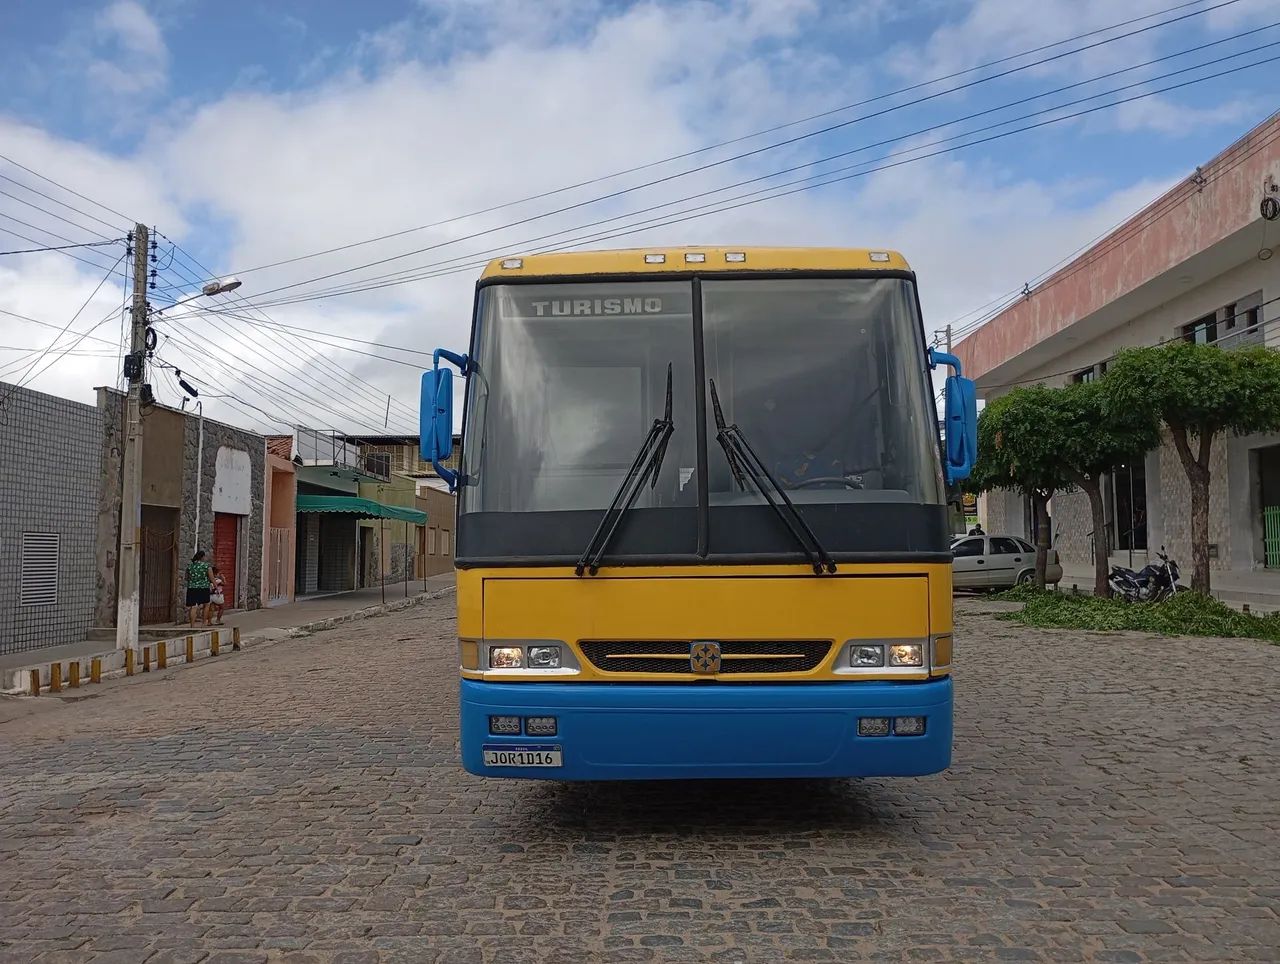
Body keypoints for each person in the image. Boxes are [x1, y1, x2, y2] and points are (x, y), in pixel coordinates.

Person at [185, 550, 212, 627]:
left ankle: (192, 625)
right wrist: (215, 586)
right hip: (203, 588)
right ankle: (203, 623)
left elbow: (187, 578)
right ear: (202, 557)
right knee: (206, 604)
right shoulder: (206, 566)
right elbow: (211, 578)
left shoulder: (190, 566)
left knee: (193, 606)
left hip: (192, 588)